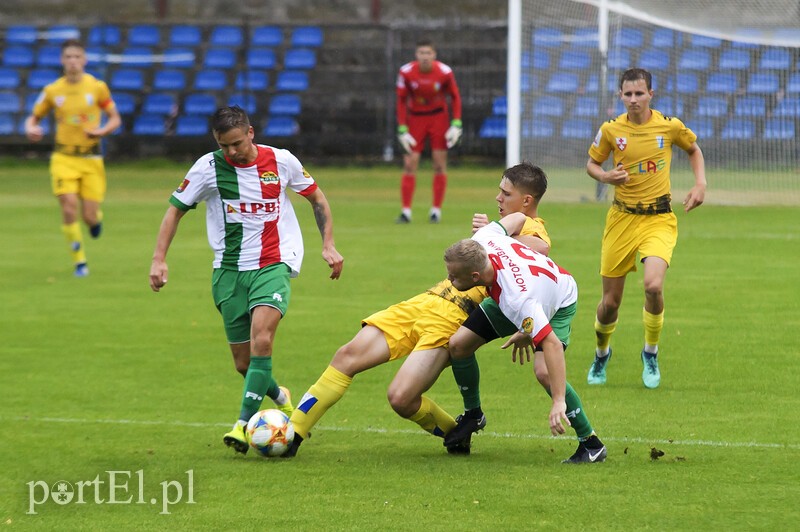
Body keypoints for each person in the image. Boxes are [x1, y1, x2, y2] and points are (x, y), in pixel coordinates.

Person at [285, 163, 546, 458]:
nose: (498, 198)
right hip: (426, 301)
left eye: (505, 193)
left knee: (401, 399)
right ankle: (290, 434)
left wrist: (494, 235)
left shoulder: (531, 225)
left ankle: (453, 430)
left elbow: (541, 248)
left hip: (452, 320)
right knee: (347, 355)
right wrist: (491, 235)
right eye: (499, 191)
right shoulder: (500, 228)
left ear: (526, 201)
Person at [148, 106, 344, 455]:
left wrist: (328, 244)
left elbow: (317, 198)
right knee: (244, 363)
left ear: (250, 133)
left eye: (236, 143)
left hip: (274, 264)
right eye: (224, 145)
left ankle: (242, 424)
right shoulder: (207, 168)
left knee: (262, 341)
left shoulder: (281, 161)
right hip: (227, 271)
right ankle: (280, 396)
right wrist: (159, 259)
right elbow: (175, 209)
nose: (231, 152)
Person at [442, 168, 606, 463]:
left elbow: (552, 343)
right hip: (522, 295)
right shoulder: (486, 236)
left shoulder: (520, 301)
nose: (450, 283)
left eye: (454, 278)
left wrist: (557, 400)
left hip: (558, 299)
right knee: (458, 345)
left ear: (476, 275)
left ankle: (591, 443)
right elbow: (518, 219)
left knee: (544, 372)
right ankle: (473, 414)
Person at [585, 68, 706, 389]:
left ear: (651, 94)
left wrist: (700, 184)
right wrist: (605, 176)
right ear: (620, 96)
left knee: (653, 286)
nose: (634, 99)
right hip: (622, 219)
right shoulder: (611, 130)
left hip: (658, 218)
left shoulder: (669, 126)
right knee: (610, 303)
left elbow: (693, 149)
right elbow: (592, 164)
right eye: (628, 94)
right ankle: (601, 354)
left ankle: (650, 352)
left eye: (640, 93)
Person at [24, 39, 122, 277]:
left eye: (77, 57)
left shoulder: (97, 87)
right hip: (63, 157)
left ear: (84, 60)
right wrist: (31, 128)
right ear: (62, 60)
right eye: (68, 57)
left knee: (88, 216)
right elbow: (33, 118)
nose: (73, 61)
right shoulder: (52, 90)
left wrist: (100, 131)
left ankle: (94, 220)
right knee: (68, 207)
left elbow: (115, 118)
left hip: (90, 159)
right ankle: (80, 262)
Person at [395, 38, 463, 224]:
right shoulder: (406, 72)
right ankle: (406, 211)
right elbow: (401, 100)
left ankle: (435, 210)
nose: (425, 57)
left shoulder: (444, 72)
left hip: (438, 119)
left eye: (428, 53)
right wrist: (402, 127)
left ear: (434, 55)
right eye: (421, 53)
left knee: (439, 164)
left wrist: (456, 123)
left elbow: (455, 97)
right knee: (410, 163)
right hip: (415, 118)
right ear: (416, 55)